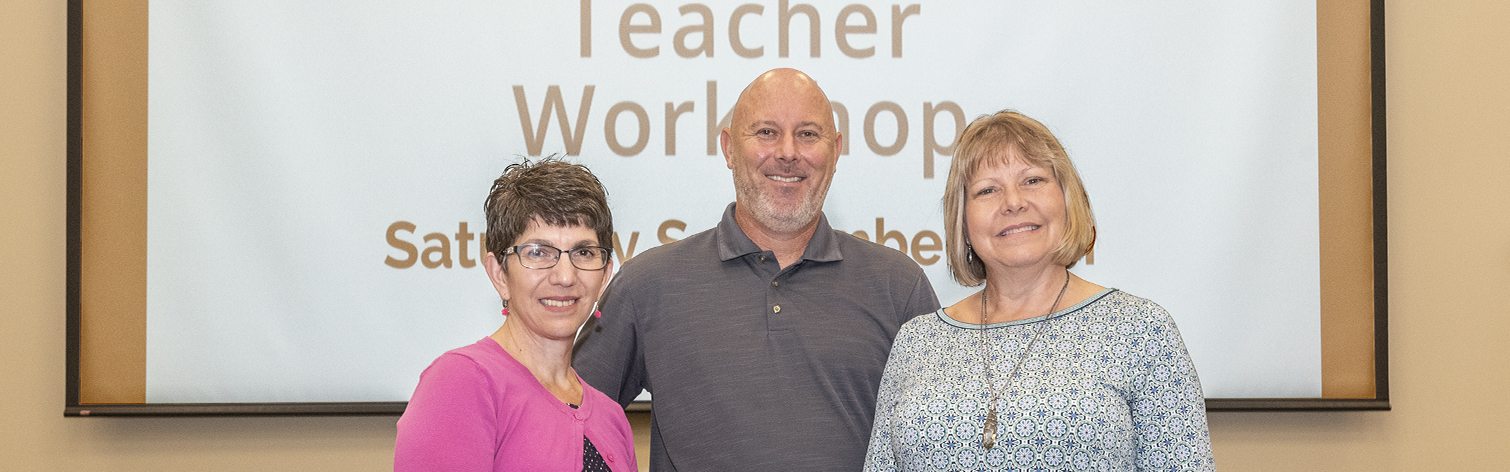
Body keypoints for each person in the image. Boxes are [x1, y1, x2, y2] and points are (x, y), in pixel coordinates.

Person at [572, 68, 941, 471]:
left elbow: (942, 448)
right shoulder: (649, 284)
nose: (787, 151)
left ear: (835, 152)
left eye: (807, 134)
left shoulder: (899, 286)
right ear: (729, 148)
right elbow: (565, 420)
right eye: (766, 132)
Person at [863, 111, 1214, 471]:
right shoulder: (917, 341)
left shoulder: (1140, 329)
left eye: (1032, 180)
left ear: (1067, 199)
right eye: (987, 190)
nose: (1013, 202)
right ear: (963, 220)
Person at [395, 158, 637, 472]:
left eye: (584, 252)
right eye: (538, 252)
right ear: (499, 274)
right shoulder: (462, 383)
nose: (565, 276)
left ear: (605, 275)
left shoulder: (611, 416)